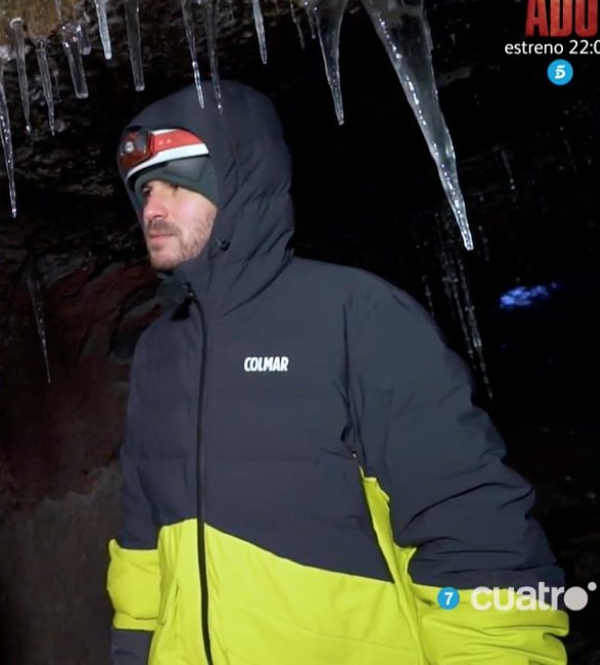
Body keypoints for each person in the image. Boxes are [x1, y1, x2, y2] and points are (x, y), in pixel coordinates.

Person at [104, 80, 570, 664]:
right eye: (144, 188)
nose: (153, 208)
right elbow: (143, 550)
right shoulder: (157, 354)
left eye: (179, 182)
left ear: (241, 182)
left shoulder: (356, 315)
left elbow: (475, 535)